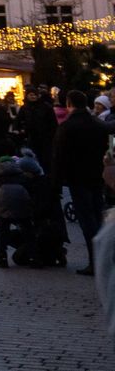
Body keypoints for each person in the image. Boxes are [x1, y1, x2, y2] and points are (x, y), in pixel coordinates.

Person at [56, 89, 109, 274]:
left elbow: (59, 156)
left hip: (77, 178)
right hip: (97, 175)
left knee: (87, 219)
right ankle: (103, 258)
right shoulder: (98, 124)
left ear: (69, 104)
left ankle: (95, 261)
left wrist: (56, 182)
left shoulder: (67, 127)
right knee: (97, 215)